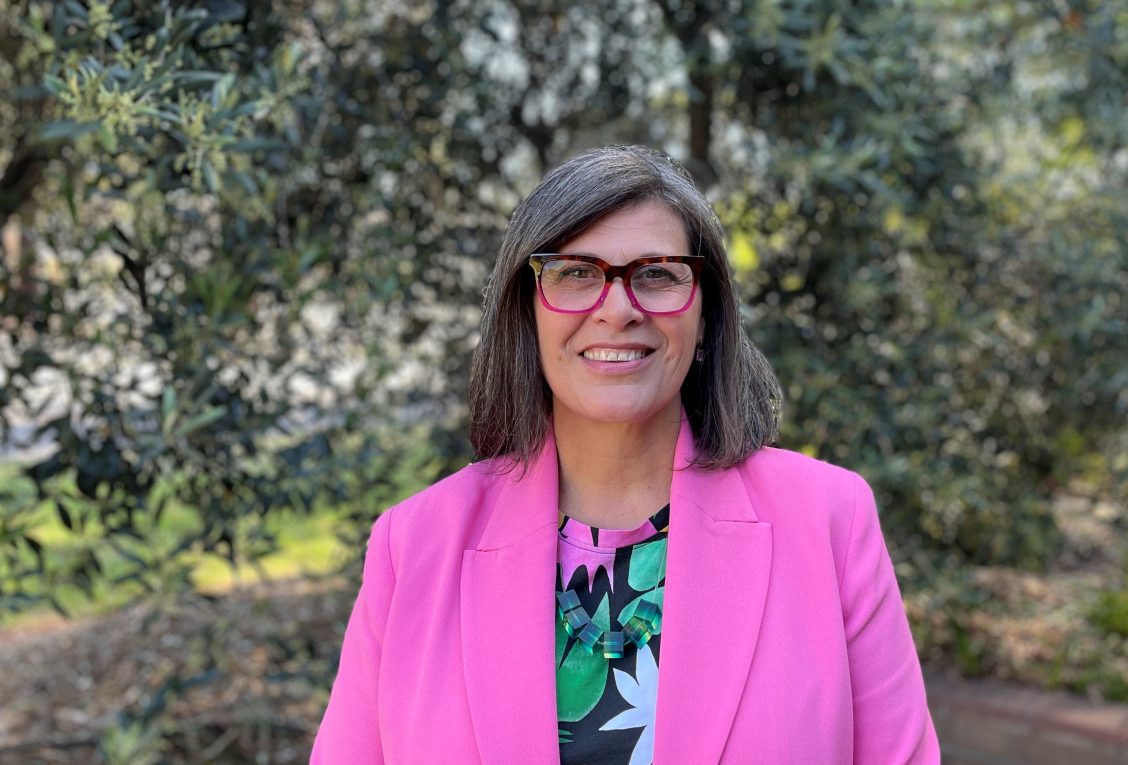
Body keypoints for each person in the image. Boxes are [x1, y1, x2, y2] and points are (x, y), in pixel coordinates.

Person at [311, 145, 940, 763]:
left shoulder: (830, 520)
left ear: (704, 314)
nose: (618, 309)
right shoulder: (413, 543)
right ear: (527, 313)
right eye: (576, 272)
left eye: (657, 274)